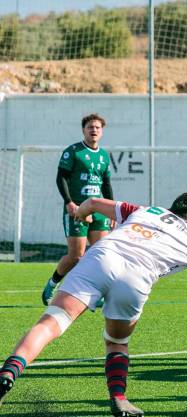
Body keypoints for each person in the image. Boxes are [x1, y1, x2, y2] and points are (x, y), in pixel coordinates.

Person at [0, 193, 187, 417]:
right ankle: (119, 399)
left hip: (103, 256)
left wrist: (81, 214)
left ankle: (8, 372)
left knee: (51, 323)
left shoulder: (147, 210)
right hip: (136, 278)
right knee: (116, 343)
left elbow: (94, 203)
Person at [42, 113, 113, 306]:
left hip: (99, 211)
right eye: (90, 127)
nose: (94, 130)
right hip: (77, 210)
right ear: (84, 130)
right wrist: (69, 202)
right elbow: (61, 177)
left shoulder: (105, 155)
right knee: (76, 255)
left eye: (97, 127)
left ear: (102, 131)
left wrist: (111, 209)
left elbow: (106, 184)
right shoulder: (73, 152)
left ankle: (95, 294)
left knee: (102, 253)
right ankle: (52, 284)